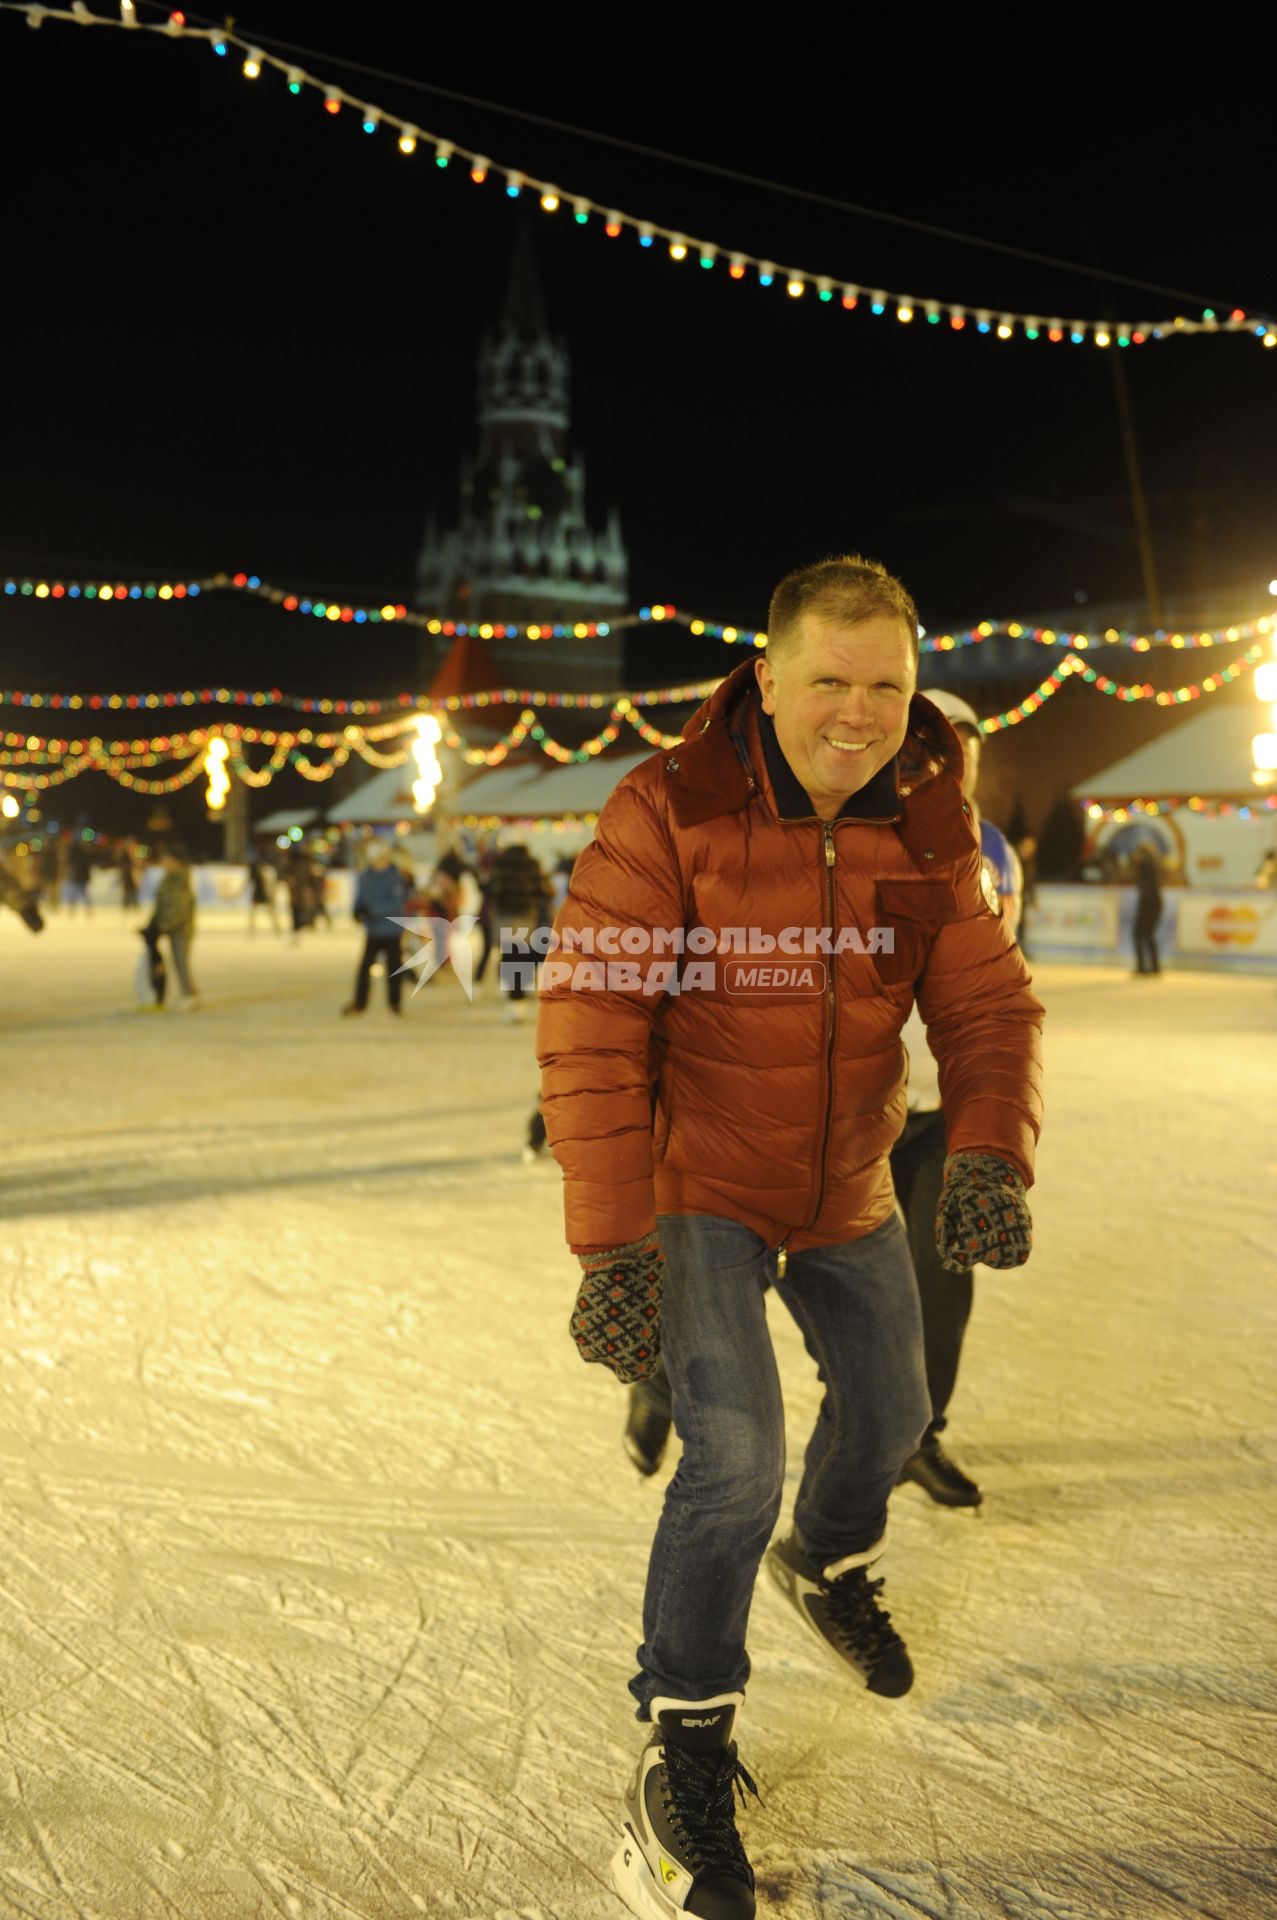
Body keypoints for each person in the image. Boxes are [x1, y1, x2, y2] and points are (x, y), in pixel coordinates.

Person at [538, 555, 1044, 1920]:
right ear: (767, 678)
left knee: (893, 1413)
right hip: (696, 1184)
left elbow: (988, 1009)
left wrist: (990, 1147)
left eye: (887, 684)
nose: (860, 710)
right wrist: (613, 1247)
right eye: (831, 679)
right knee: (736, 1457)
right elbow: (589, 1022)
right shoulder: (667, 807)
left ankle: (827, 1560)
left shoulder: (930, 821)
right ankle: (684, 1743)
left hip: (848, 1184)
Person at [619, 693, 1024, 1508]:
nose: (960, 763)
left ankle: (915, 1437)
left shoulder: (987, 848)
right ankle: (664, 1382)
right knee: (735, 1281)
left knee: (938, 1283)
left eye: (971, 748)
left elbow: (988, 978)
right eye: (946, 747)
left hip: (927, 1114)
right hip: (818, 1117)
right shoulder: (844, 830)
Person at [342, 839, 410, 1016]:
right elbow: (361, 898)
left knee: (394, 968)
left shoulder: (395, 877)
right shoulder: (365, 876)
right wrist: (357, 911)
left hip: (392, 930)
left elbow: (396, 904)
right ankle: (359, 1003)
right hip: (373, 930)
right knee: (364, 969)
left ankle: (395, 1004)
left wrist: (373, 911)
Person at [492, 841, 551, 1024]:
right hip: (528, 917)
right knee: (523, 957)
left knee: (510, 958)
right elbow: (544, 891)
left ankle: (514, 1003)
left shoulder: (501, 866)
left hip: (507, 918)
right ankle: (522, 1000)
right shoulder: (532, 866)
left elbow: (493, 890)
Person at [151, 846, 199, 1009]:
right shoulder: (168, 879)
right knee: (176, 961)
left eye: (167, 859)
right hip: (171, 926)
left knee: (181, 961)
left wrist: (164, 925)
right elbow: (162, 904)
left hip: (181, 929)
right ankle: (186, 993)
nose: (163, 862)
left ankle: (190, 994)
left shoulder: (180, 880)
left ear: (176, 861)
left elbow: (180, 908)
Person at [1132, 845, 1163, 975]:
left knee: (1140, 934)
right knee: (1147, 935)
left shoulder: (1146, 865)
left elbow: (1141, 862)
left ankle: (1143, 967)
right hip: (1151, 903)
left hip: (1148, 904)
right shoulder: (1152, 866)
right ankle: (1153, 967)